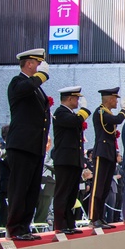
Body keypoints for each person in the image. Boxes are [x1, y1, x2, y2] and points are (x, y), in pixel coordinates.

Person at [4, 48, 52, 241]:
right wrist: (42, 76)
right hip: (22, 145)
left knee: (32, 190)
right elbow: (25, 88)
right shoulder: (18, 82)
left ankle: (24, 226)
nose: (40, 67)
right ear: (29, 63)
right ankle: (14, 228)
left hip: (35, 145)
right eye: (38, 63)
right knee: (20, 188)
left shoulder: (36, 87)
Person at [51, 86, 90, 234]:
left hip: (73, 159)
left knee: (71, 194)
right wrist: (84, 110)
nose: (78, 101)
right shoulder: (60, 113)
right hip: (65, 159)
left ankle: (69, 222)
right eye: (76, 98)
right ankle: (60, 225)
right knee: (62, 193)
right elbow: (76, 121)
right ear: (69, 98)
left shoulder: (70, 114)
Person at [88, 87, 125, 229]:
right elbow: (117, 119)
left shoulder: (106, 112)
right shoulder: (101, 111)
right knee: (98, 187)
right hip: (102, 152)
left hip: (109, 153)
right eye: (115, 99)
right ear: (110, 99)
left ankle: (100, 216)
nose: (116, 101)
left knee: (104, 188)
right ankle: (93, 217)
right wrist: (124, 111)